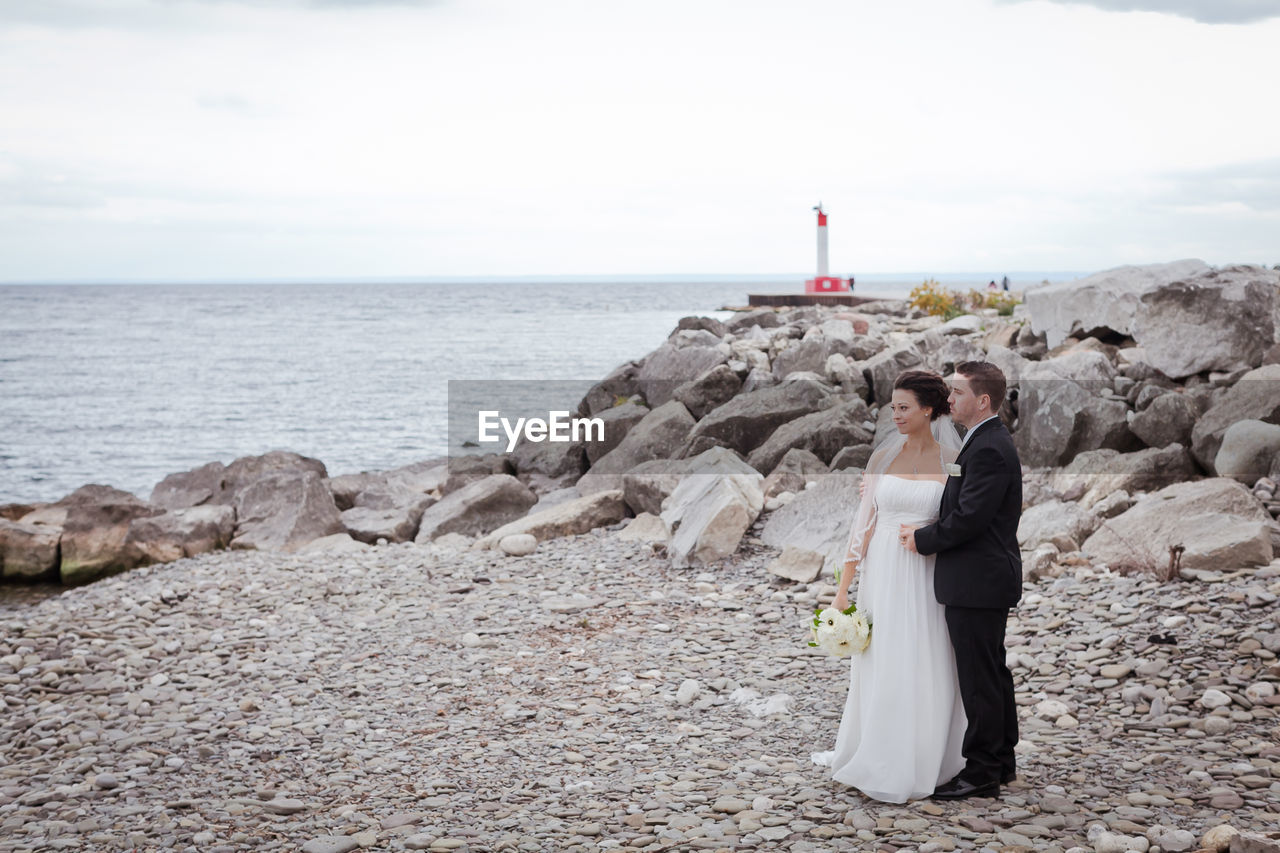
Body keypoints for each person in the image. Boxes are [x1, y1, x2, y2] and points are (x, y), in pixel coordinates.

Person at [811, 370, 967, 803]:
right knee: (883, 658)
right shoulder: (881, 459)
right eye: (892, 407)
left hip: (927, 567)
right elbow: (862, 526)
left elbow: (963, 516)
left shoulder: (954, 459)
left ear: (928, 410)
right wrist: (843, 589)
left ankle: (929, 757)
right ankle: (878, 750)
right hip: (882, 568)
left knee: (928, 655)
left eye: (904, 408)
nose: (896, 415)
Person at [900, 360, 1023, 799]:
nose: (948, 399)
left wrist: (923, 538)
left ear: (982, 400)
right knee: (991, 671)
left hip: (978, 580)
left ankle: (982, 771)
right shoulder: (984, 440)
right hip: (982, 578)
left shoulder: (989, 447)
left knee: (978, 677)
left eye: (956, 393)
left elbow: (971, 517)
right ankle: (1002, 760)